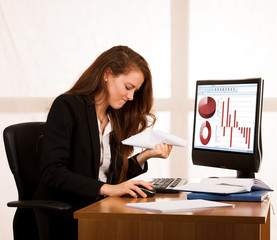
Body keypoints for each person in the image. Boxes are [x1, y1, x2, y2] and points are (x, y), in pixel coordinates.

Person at [33, 45, 172, 239]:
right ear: (108, 74)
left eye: (135, 91)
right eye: (128, 87)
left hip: (100, 210)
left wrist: (146, 155)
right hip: (66, 215)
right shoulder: (68, 106)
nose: (131, 97)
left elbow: (110, 176)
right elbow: (52, 172)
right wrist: (109, 189)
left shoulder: (113, 118)